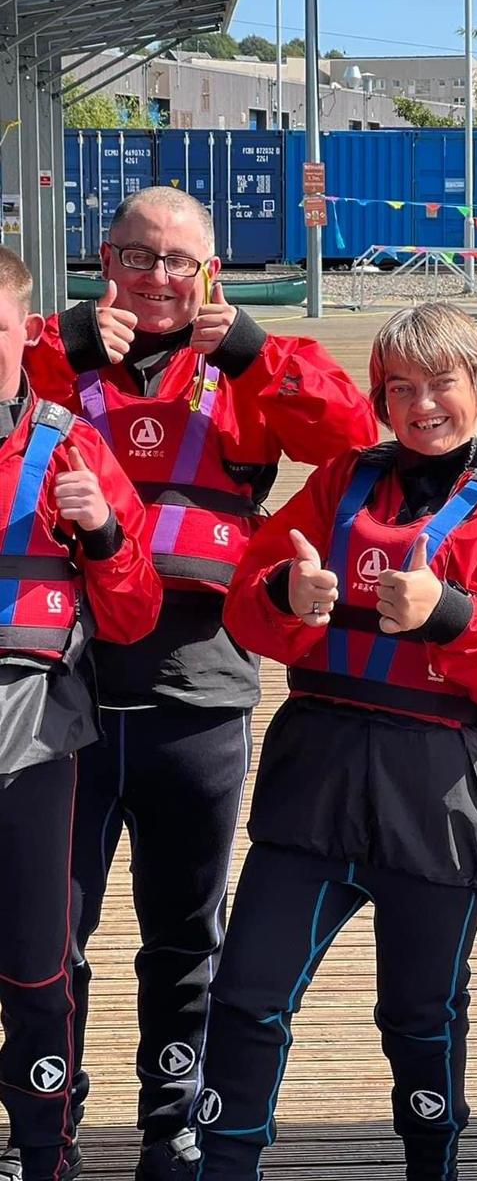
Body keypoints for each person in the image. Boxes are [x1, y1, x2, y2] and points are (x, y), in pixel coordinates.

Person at [21, 187, 378, 1180]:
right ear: (104, 259)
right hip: (69, 675)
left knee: (185, 926)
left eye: (180, 260)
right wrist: (66, 344)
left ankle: (171, 1118)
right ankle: (46, 1113)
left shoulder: (244, 368)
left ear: (211, 271)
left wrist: (263, 349)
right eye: (138, 256)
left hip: (202, 679)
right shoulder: (54, 352)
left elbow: (351, 439)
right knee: (54, 925)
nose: (158, 277)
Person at [193, 303, 477, 1180]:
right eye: (399, 388)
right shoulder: (341, 480)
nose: (421, 405)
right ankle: (224, 1162)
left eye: (441, 382)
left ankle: (431, 1163)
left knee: (420, 1011)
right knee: (248, 991)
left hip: (439, 791)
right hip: (315, 781)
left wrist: (448, 614)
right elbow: (249, 597)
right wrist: (288, 602)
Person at [0, 247, 161, 1181]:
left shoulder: (71, 445)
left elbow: (134, 613)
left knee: (35, 965)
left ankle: (42, 1147)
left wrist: (101, 528)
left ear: (28, 333)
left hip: (35, 734)